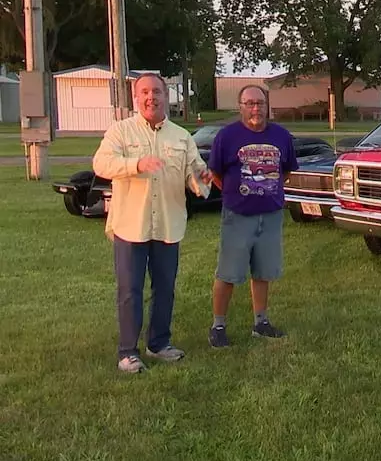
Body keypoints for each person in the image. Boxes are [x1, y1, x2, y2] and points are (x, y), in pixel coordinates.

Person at [92, 72, 212, 373]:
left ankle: (158, 344)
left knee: (165, 288)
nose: (151, 97)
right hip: (131, 226)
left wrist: (201, 180)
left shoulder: (182, 136)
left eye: (157, 92)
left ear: (165, 96)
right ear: (136, 97)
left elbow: (194, 173)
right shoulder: (120, 132)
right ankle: (128, 352)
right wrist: (136, 164)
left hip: (168, 226)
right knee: (130, 290)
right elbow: (101, 164)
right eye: (144, 92)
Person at [207, 85, 298, 347]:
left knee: (263, 271)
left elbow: (286, 172)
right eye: (249, 104)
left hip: (270, 216)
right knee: (228, 273)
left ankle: (261, 322)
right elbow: (216, 173)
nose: (255, 109)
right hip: (237, 216)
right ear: (241, 107)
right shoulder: (227, 136)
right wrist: (238, 194)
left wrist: (267, 191)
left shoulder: (281, 136)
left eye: (259, 103)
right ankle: (218, 325)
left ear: (267, 105)